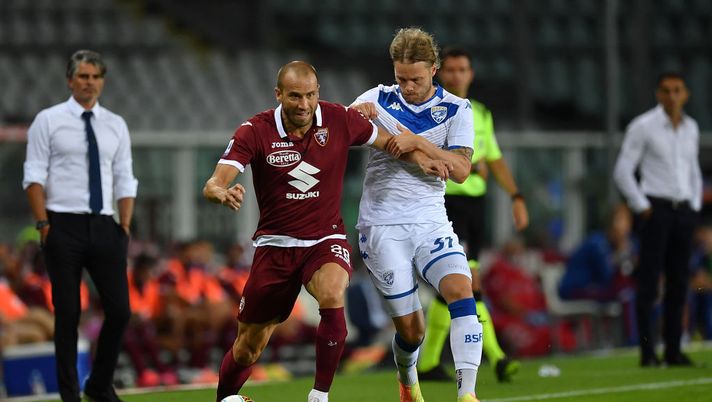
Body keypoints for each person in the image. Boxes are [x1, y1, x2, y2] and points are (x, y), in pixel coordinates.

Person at [204, 61, 449, 402]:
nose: (303, 104)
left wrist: (423, 160)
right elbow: (216, 180)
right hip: (275, 246)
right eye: (294, 97)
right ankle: (224, 398)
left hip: (324, 239)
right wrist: (220, 190)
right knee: (248, 348)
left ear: (318, 94)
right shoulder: (255, 130)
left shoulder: (338, 120)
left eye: (310, 96)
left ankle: (319, 395)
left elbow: (391, 144)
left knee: (333, 293)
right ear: (278, 95)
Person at [352, 29, 483, 402]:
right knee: (412, 331)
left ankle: (467, 395)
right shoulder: (376, 98)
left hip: (430, 221)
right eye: (401, 79)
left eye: (416, 79)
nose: (408, 87)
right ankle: (408, 380)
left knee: (462, 290)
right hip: (381, 225)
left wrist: (420, 142)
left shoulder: (458, 109)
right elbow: (345, 126)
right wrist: (358, 116)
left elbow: (460, 171)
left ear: (434, 70)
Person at [22, 50, 138, 401]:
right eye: (83, 76)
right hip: (62, 224)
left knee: (120, 310)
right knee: (68, 312)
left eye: (95, 77)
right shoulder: (48, 120)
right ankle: (69, 393)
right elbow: (33, 176)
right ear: (70, 80)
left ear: (102, 81)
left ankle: (99, 385)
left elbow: (124, 177)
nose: (89, 83)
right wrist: (43, 224)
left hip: (105, 224)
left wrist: (125, 227)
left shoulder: (115, 124)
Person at [416, 46, 529, 384]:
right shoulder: (431, 110)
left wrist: (516, 196)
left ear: (471, 74)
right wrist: (458, 162)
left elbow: (493, 158)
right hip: (447, 203)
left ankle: (428, 362)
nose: (456, 75)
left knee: (451, 287)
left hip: (476, 206)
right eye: (450, 69)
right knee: (468, 280)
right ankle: (496, 357)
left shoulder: (479, 112)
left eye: (462, 69)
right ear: (440, 73)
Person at [613, 72, 702, 367]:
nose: (673, 96)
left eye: (678, 90)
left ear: (686, 94)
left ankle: (674, 350)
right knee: (649, 282)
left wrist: (695, 203)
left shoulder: (691, 128)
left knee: (679, 282)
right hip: (656, 209)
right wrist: (642, 206)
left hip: (683, 210)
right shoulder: (643, 127)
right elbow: (623, 170)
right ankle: (647, 352)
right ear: (658, 94)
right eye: (667, 91)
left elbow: (693, 171)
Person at [558, 204, 638, 345]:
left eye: (627, 222)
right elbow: (607, 277)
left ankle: (652, 338)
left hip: (596, 288)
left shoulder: (629, 242)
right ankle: (631, 342)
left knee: (641, 292)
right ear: (610, 224)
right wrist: (622, 253)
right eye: (620, 221)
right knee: (627, 293)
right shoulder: (597, 243)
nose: (624, 228)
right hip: (576, 288)